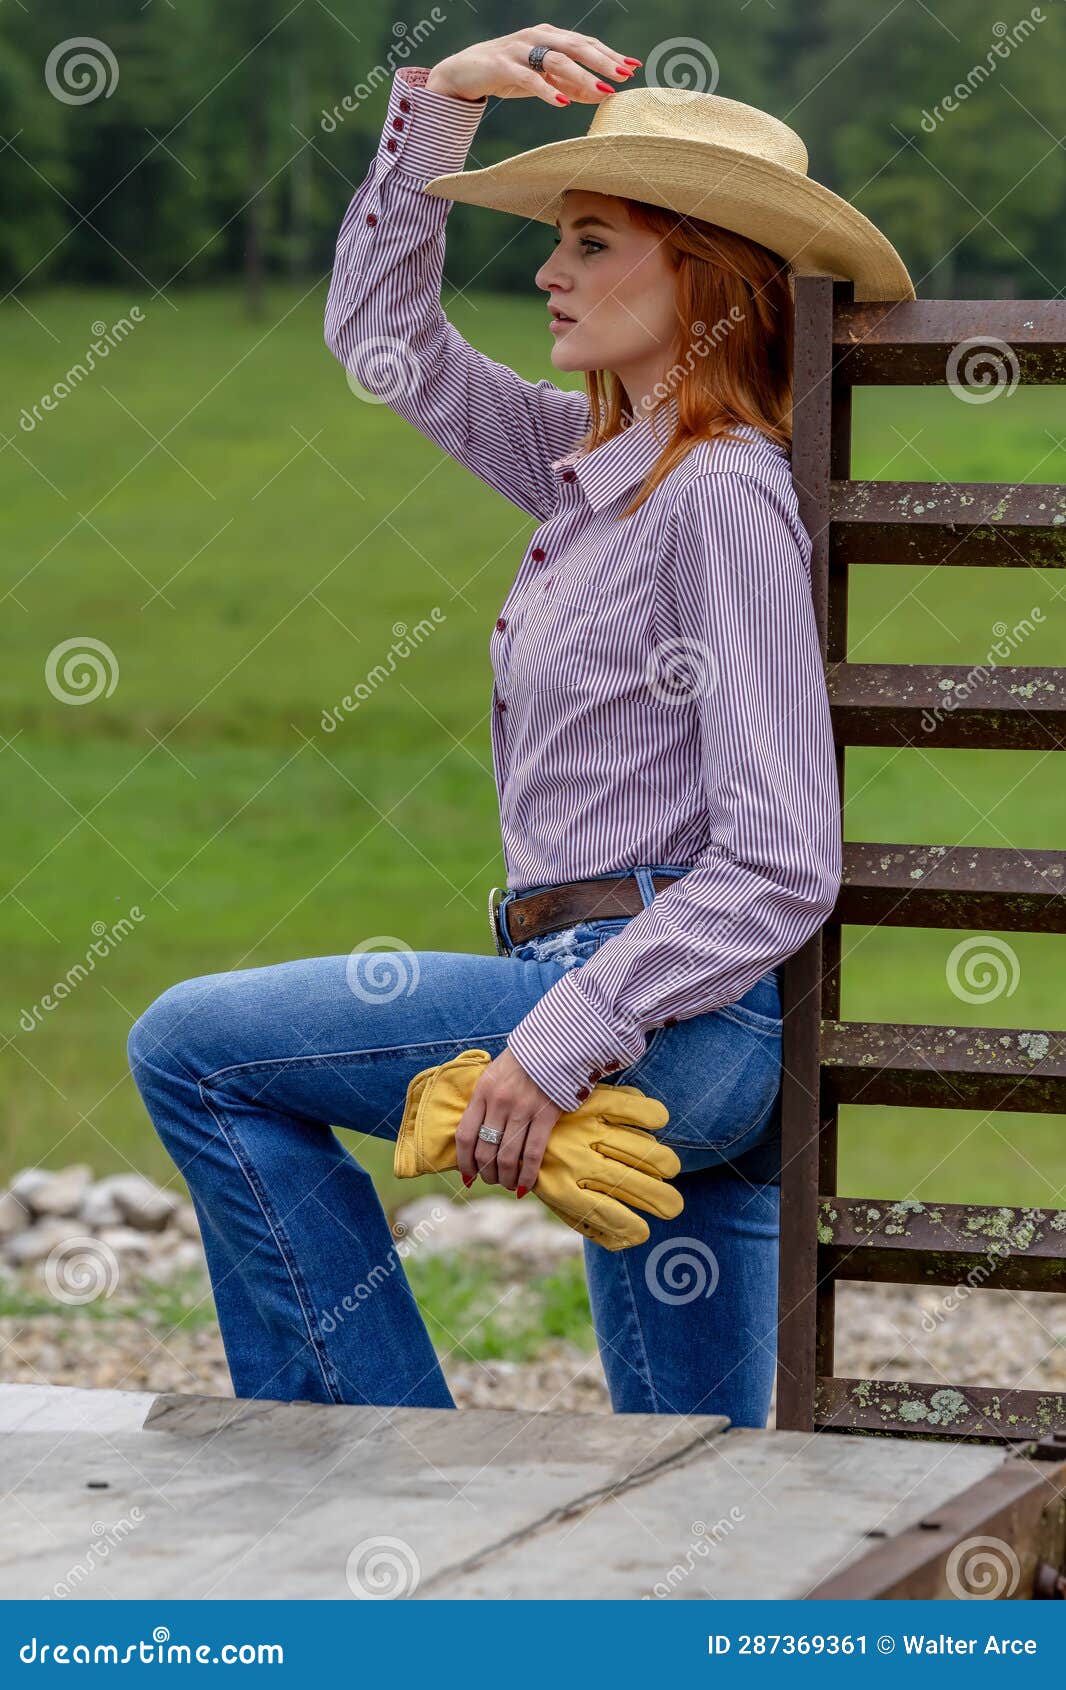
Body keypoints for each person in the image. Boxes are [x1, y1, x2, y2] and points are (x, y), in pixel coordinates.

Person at [128, 26, 913, 1422]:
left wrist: (554, 1041)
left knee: (189, 1047)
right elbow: (385, 346)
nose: (549, 271)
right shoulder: (591, 478)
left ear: (708, 279)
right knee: (693, 1483)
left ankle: (373, 1465)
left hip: (659, 1005)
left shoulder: (715, 497)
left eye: (594, 241)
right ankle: (694, 1641)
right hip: (639, 1000)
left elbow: (782, 856)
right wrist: (440, 104)